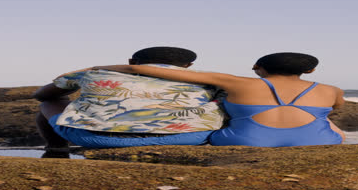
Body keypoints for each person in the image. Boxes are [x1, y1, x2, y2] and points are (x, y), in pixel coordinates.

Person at [94, 52, 345, 147]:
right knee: (326, 119)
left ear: (257, 66)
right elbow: (336, 108)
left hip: (245, 141)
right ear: (310, 71)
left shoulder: (237, 82)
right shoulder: (331, 89)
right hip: (320, 141)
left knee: (223, 109)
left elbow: (159, 72)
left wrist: (111, 67)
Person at [33, 47, 226, 156]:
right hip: (188, 138)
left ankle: (56, 149)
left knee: (48, 104)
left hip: (96, 139)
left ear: (131, 62)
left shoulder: (95, 71)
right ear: (189, 65)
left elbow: (43, 95)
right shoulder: (211, 78)